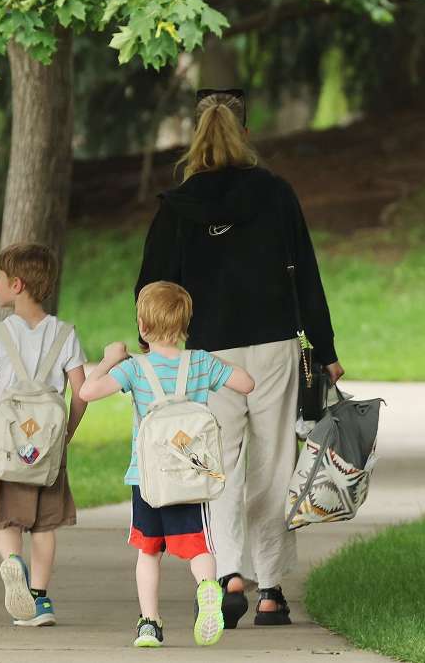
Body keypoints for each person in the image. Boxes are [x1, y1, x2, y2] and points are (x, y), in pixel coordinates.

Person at [134, 89, 344, 627]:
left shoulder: (176, 207)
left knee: (216, 465)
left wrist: (152, 351)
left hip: (205, 353)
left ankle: (227, 575)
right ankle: (270, 588)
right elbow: (308, 274)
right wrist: (325, 351)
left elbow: (151, 287)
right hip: (272, 345)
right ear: (245, 136)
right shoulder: (275, 194)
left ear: (194, 141)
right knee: (273, 463)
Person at [80, 281, 255, 648]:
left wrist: (111, 358)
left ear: (142, 327)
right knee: (199, 547)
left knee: (148, 551)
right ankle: (208, 588)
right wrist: (211, 360)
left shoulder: (135, 368)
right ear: (185, 325)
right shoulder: (200, 363)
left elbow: (86, 392)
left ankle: (149, 623)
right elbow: (247, 383)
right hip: (191, 477)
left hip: (147, 479)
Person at [0, 243, 88, 626]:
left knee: (6, 520)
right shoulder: (65, 333)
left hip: (9, 449)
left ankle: (11, 562)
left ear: (16, 284)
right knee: (44, 524)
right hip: (47, 451)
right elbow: (81, 393)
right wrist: (64, 434)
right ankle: (39, 598)